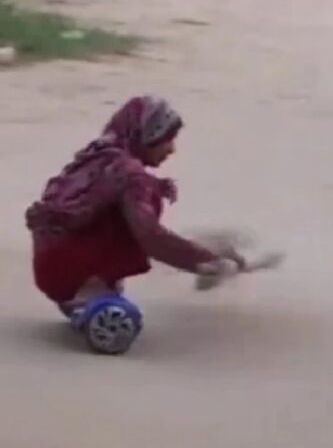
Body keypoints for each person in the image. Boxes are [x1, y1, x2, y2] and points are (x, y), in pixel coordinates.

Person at [25, 95, 247, 316]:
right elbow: (150, 237)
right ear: (148, 136)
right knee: (141, 213)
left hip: (48, 264)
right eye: (167, 139)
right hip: (68, 266)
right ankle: (89, 290)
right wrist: (204, 261)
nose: (171, 149)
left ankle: (86, 288)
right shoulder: (130, 175)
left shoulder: (100, 154)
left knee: (129, 209)